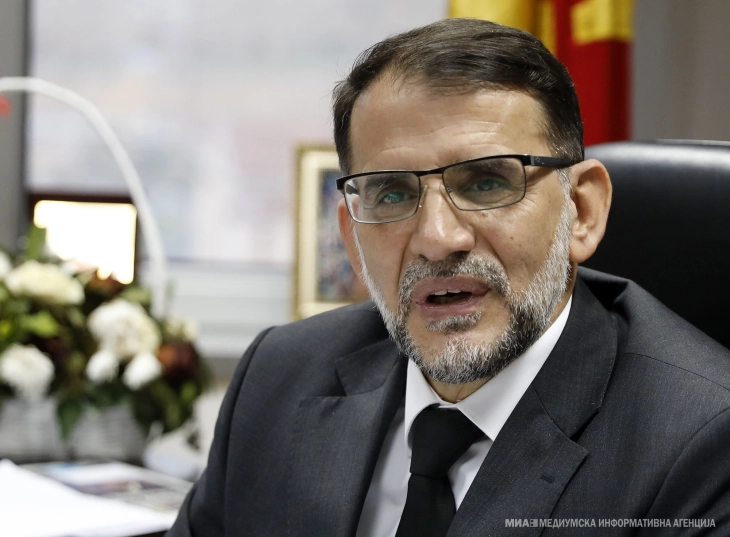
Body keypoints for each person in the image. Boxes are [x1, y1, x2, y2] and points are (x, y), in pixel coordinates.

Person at [168, 18, 730, 537]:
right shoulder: (279, 376)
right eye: (392, 193)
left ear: (581, 211)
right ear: (351, 237)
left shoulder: (702, 440)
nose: (437, 238)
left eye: (487, 183)